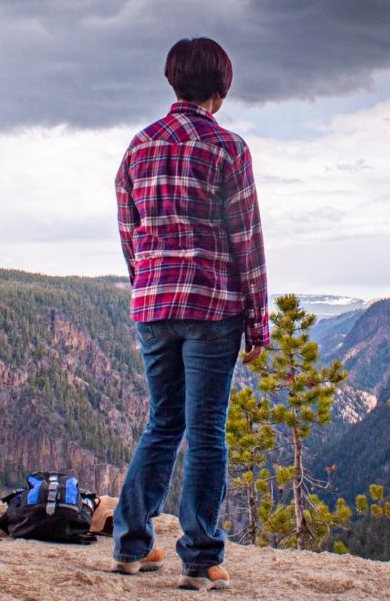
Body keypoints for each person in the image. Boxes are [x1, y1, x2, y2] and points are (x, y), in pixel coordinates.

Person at [110, 37, 269, 592]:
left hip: (154, 306)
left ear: (172, 82)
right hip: (211, 307)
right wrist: (257, 319)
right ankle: (200, 560)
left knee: (161, 423)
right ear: (220, 91)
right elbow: (245, 239)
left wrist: (148, 286)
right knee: (206, 431)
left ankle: (131, 547)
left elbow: (131, 236)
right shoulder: (229, 149)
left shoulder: (138, 147)